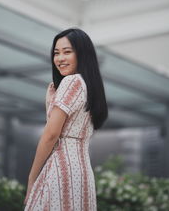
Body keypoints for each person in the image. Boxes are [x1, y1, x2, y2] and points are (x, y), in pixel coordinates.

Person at [24, 28, 108, 211]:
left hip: (61, 170)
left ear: (82, 54)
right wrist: (50, 104)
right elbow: (64, 128)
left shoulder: (72, 82)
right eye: (56, 53)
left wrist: (32, 177)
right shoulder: (89, 86)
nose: (60, 58)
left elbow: (51, 135)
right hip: (82, 173)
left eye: (67, 52)